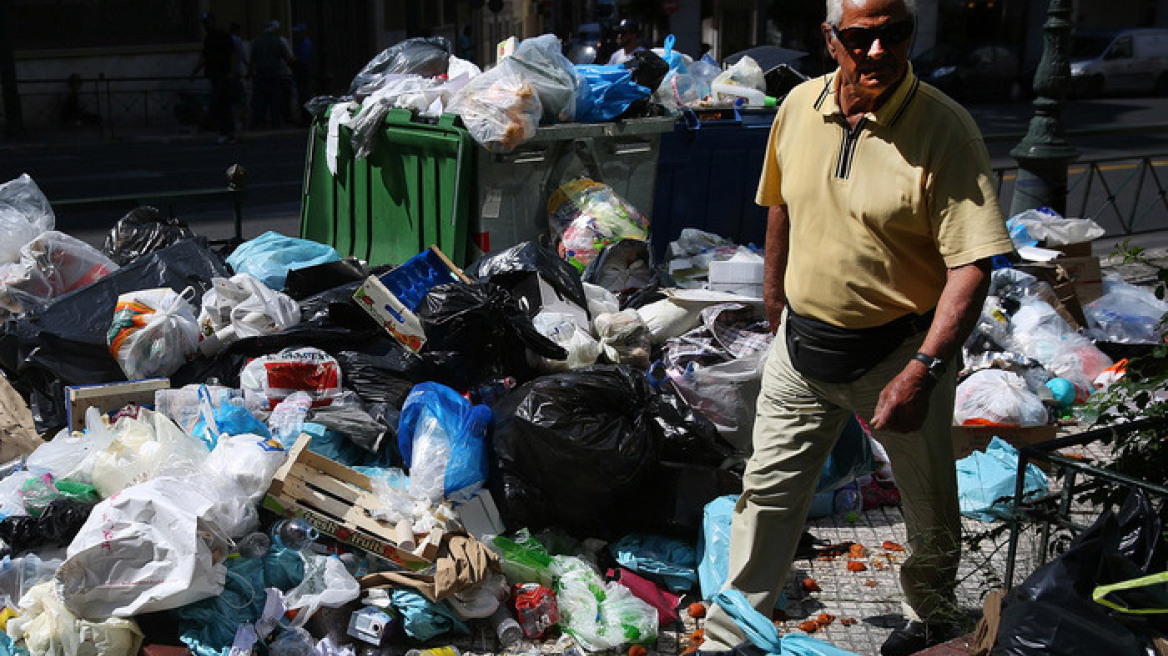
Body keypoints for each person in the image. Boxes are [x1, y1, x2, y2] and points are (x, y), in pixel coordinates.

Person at [696, 0, 1014, 655]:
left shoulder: (943, 129)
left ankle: (927, 617)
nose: (878, 51)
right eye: (861, 37)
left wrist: (924, 369)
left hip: (897, 355)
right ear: (830, 39)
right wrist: (774, 305)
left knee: (928, 507)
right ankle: (732, 638)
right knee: (766, 496)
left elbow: (972, 266)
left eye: (894, 34)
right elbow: (779, 205)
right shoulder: (798, 108)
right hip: (803, 351)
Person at [190, 12, 238, 144]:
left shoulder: (223, 36)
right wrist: (195, 71)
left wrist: (231, 73)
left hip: (223, 75)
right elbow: (204, 56)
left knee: (223, 105)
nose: (206, 25)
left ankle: (228, 132)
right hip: (215, 75)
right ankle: (225, 131)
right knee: (220, 104)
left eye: (208, 22)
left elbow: (233, 55)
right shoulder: (208, 38)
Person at [249, 19, 294, 129]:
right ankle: (276, 122)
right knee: (275, 100)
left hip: (260, 74)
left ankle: (258, 122)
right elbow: (287, 58)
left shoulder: (257, 42)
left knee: (260, 100)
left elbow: (252, 61)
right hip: (275, 74)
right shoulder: (277, 42)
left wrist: (250, 73)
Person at [290, 24, 316, 126]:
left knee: (305, 96)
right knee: (302, 96)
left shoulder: (305, 44)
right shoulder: (300, 44)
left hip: (304, 73)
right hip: (301, 73)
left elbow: (303, 60)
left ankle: (306, 119)